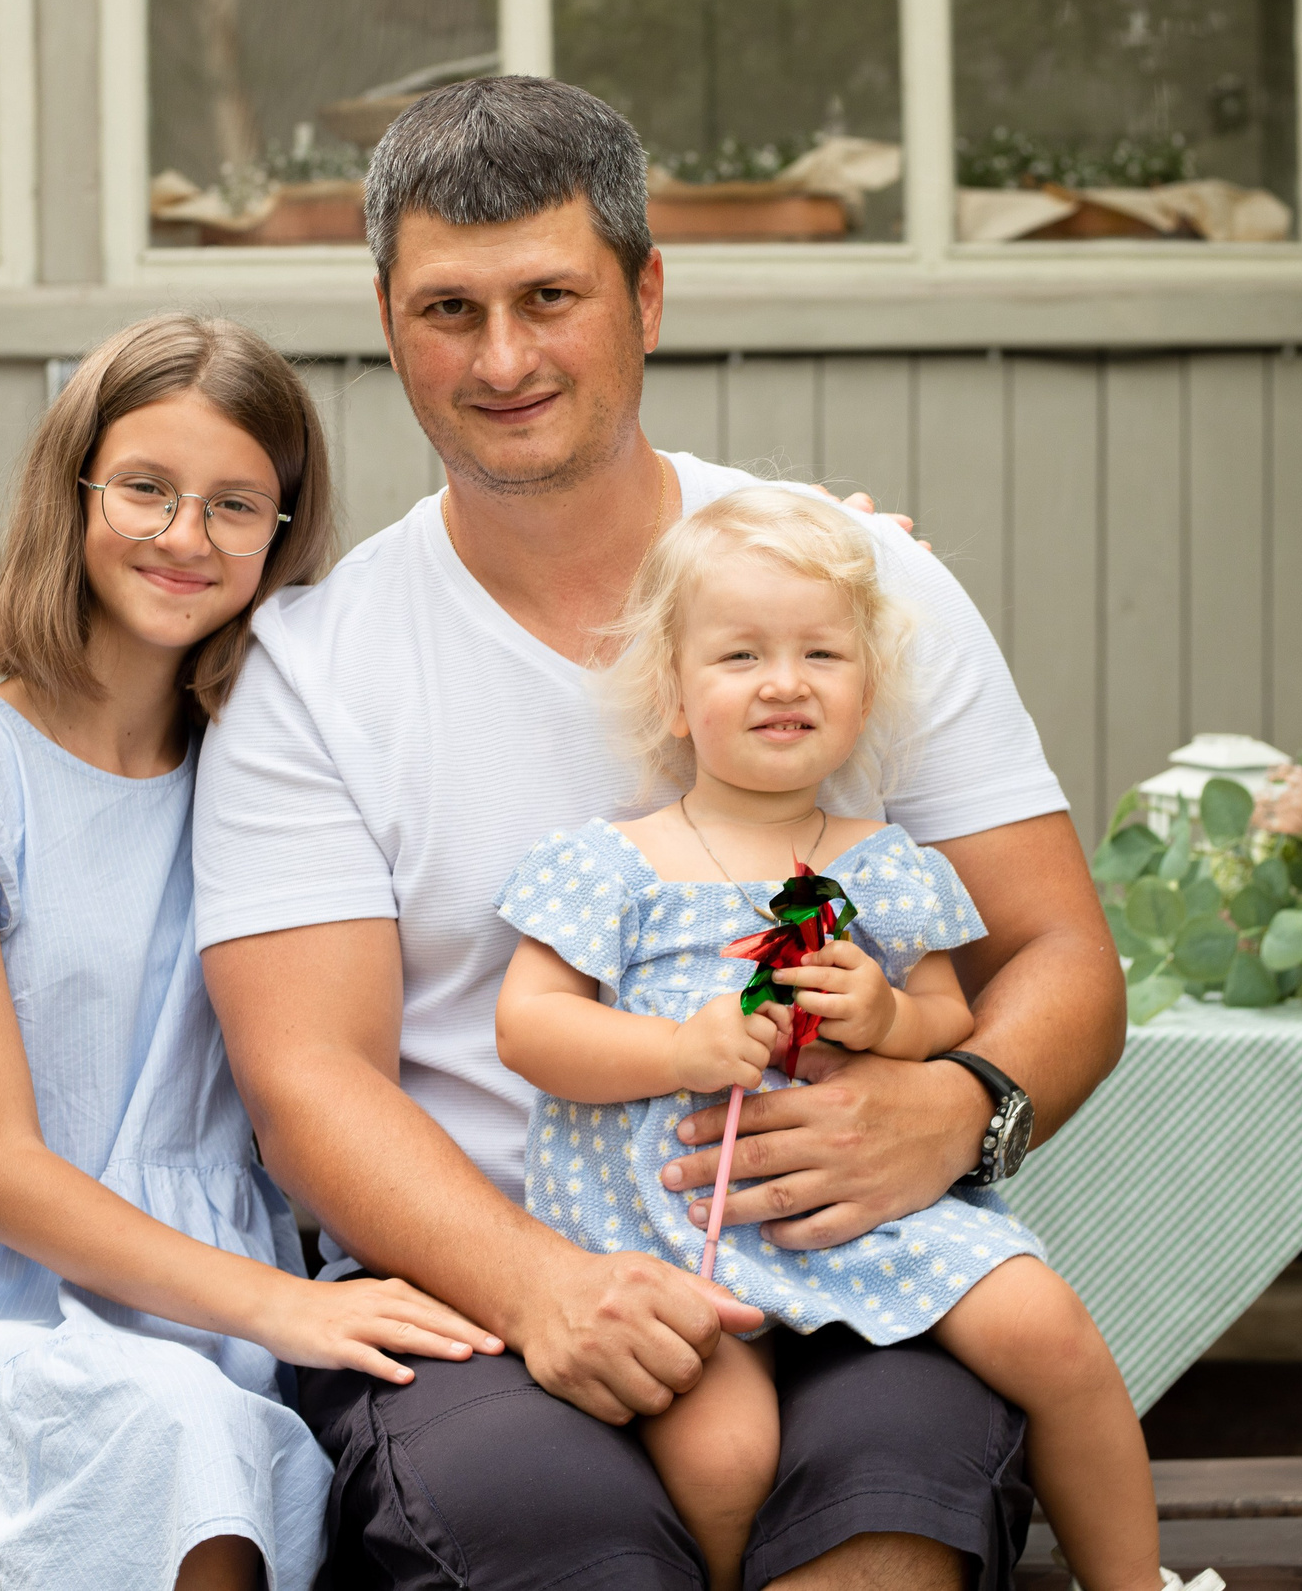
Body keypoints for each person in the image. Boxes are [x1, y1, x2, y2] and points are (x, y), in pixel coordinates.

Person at [196, 77, 1128, 1590]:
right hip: (481, 1281)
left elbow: (1062, 953)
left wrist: (965, 1105)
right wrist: (545, 1281)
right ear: (384, 317)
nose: (502, 358)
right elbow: (307, 1077)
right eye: (449, 309)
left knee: (881, 1518)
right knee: (557, 1543)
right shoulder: (314, 665)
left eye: (550, 296)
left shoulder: (846, 588)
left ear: (645, 293)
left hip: (848, 1250)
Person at [0, 313, 496, 1591]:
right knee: (185, 1437)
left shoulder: (274, 774)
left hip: (248, 1301)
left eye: (235, 505)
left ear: (282, 535)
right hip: (11, 1312)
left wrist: (806, 583)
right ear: (74, 494)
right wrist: (287, 1309)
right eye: (147, 490)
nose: (185, 537)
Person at [497, 486, 1193, 1591]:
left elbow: (951, 1017)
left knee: (1048, 1329)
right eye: (739, 657)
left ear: (866, 687)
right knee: (727, 1454)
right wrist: (678, 1052)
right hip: (678, 1222)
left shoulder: (880, 864)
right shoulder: (614, 864)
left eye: (822, 652)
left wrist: (884, 1017)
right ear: (675, 695)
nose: (784, 681)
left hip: (858, 1210)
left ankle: (1139, 1585)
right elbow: (528, 1028)